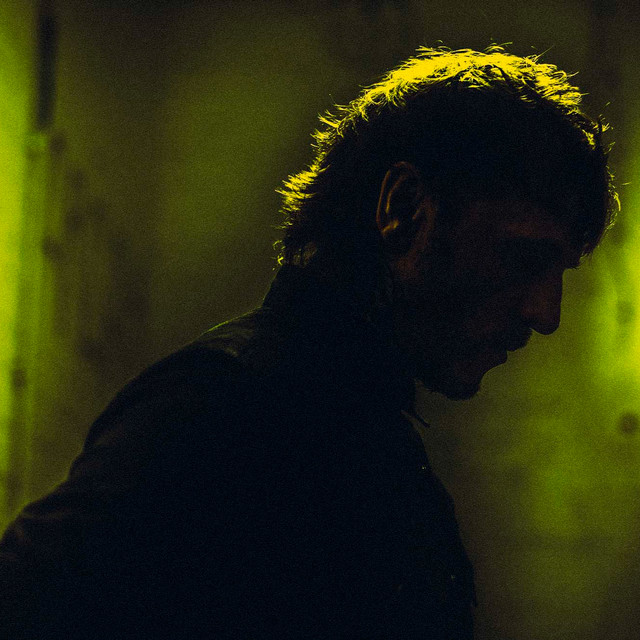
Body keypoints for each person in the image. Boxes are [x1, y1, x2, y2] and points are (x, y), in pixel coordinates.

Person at [0, 46, 617, 639]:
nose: (547, 314)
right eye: (523, 259)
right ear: (404, 209)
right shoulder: (223, 411)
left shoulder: (321, 420)